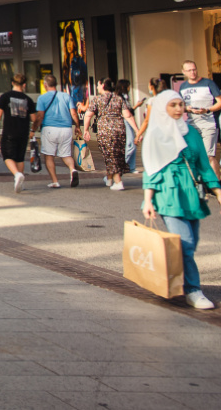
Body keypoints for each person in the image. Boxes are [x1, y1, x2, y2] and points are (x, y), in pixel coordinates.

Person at [140, 90, 221, 309]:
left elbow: (204, 164)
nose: (178, 109)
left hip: (191, 191)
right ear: (162, 107)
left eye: (181, 104)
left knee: (191, 243)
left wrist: (217, 190)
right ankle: (193, 291)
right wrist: (148, 200)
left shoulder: (191, 133)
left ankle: (174, 279)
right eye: (173, 105)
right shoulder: (156, 134)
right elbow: (151, 169)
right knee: (184, 243)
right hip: (168, 191)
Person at [83, 78, 139, 191]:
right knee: (116, 154)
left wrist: (86, 130)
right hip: (119, 129)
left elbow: (88, 115)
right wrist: (137, 130)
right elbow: (128, 115)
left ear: (103, 85)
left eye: (98, 85)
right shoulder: (118, 98)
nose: (97, 87)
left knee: (110, 155)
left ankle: (118, 181)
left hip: (105, 131)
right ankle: (109, 179)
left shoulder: (97, 99)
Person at [0, 73, 36, 192]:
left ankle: (17, 174)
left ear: (12, 83)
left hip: (9, 131)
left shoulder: (5, 97)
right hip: (23, 132)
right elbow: (34, 118)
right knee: (20, 157)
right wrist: (33, 130)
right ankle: (21, 183)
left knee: (7, 155)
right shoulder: (28, 100)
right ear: (24, 85)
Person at [177, 60, 221, 177]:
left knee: (209, 155)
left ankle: (216, 184)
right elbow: (180, 106)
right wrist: (188, 109)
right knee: (193, 155)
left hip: (208, 123)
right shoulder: (183, 86)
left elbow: (220, 102)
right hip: (191, 124)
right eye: (189, 70)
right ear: (184, 72)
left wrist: (207, 110)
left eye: (194, 69)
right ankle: (199, 182)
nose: (193, 72)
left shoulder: (208, 83)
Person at [35, 75, 80, 188]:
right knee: (66, 154)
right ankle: (72, 169)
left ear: (45, 85)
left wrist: (34, 129)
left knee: (49, 156)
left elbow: (40, 116)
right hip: (66, 129)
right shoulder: (66, 96)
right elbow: (74, 113)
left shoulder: (42, 98)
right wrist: (78, 127)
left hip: (49, 129)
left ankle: (55, 181)